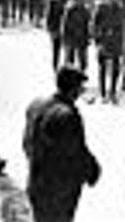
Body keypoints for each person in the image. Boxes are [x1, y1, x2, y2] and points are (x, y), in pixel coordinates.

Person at [23, 66, 101, 222]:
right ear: (73, 89)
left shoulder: (36, 105)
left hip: (35, 181)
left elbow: (26, 143)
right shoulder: (68, 116)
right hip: (57, 193)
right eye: (79, 88)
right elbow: (76, 153)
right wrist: (92, 170)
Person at [91, 0, 125, 103]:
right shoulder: (101, 7)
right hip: (104, 39)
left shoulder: (120, 8)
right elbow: (94, 24)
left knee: (116, 68)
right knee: (102, 68)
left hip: (116, 41)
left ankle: (113, 92)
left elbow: (123, 25)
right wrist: (97, 40)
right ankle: (102, 93)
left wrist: (122, 41)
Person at [60, 0, 90, 72]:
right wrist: (64, 38)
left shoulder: (85, 10)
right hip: (71, 37)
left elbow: (88, 24)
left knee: (83, 62)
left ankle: (81, 74)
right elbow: (64, 24)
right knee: (70, 61)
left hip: (82, 38)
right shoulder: (69, 10)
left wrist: (88, 36)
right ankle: (69, 76)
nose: (78, 1)